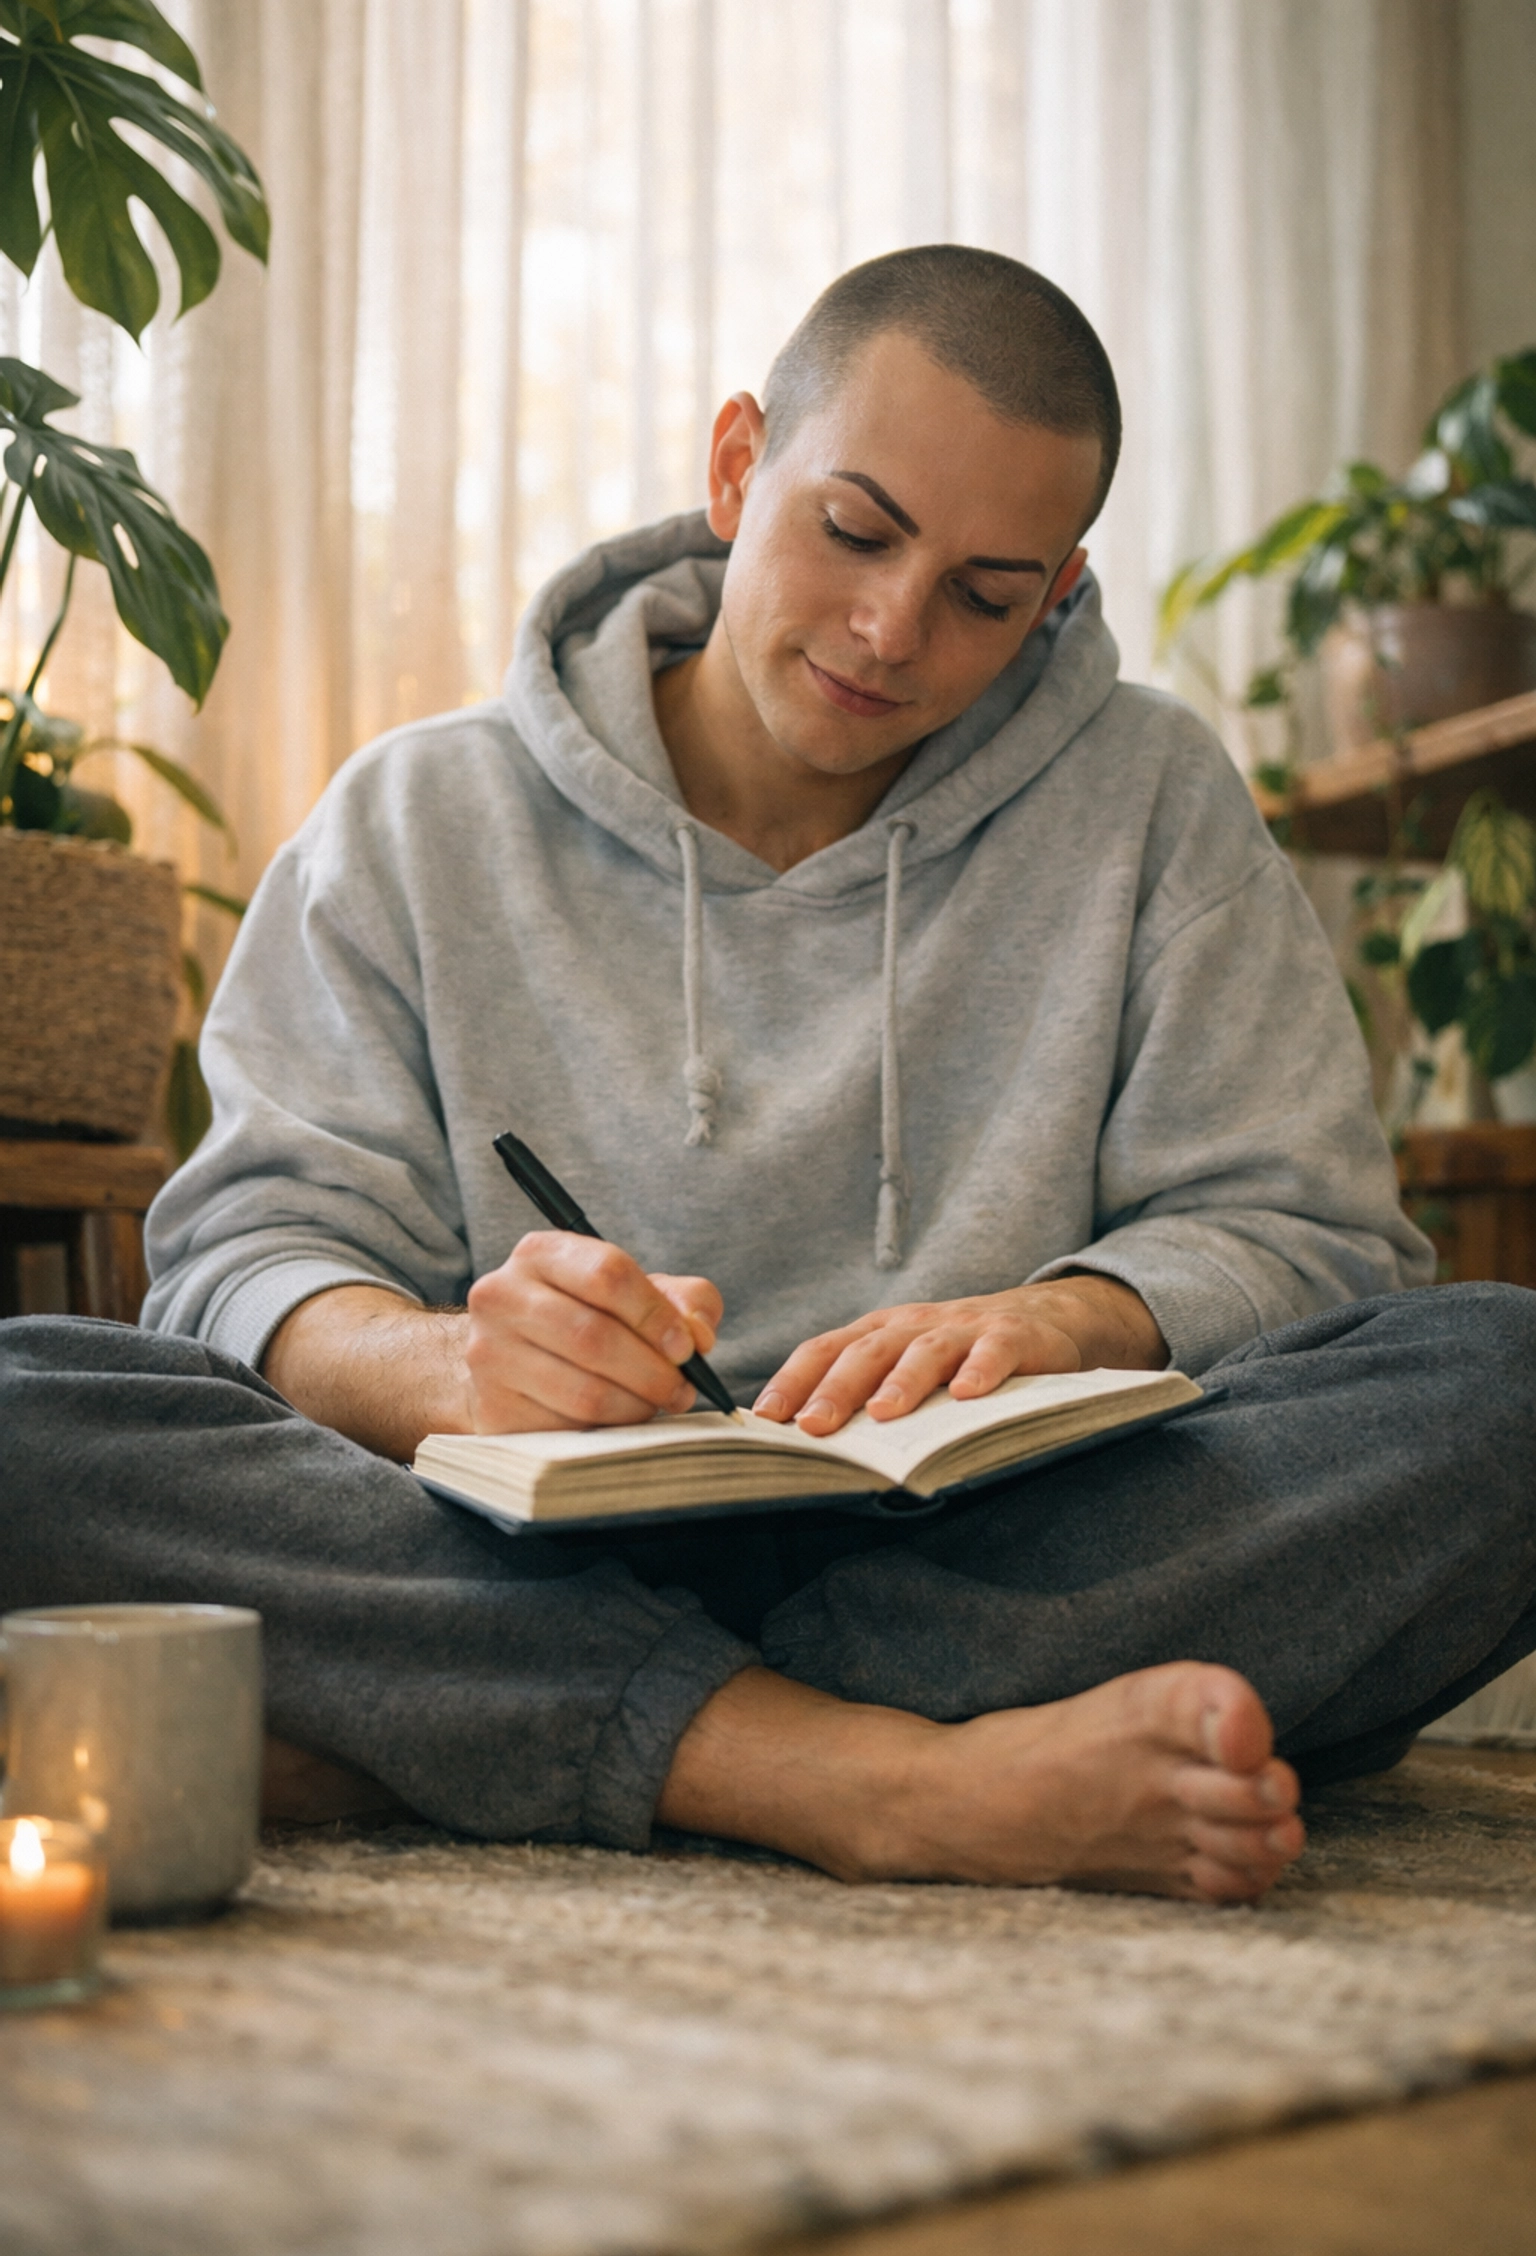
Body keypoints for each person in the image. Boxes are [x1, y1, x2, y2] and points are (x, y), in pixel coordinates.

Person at [4, 248, 1533, 1903]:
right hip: (500, 1548)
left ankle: (494, 1730)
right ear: (738, 465)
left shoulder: (1152, 800)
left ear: (1065, 591)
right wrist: (449, 1370)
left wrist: (1067, 1319)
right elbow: (241, 1259)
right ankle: (853, 1774)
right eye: (856, 532)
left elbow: (1319, 1241)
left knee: (1509, 1378)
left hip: (999, 1552)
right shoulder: (413, 817)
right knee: (28, 1404)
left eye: (987, 595)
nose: (892, 631)